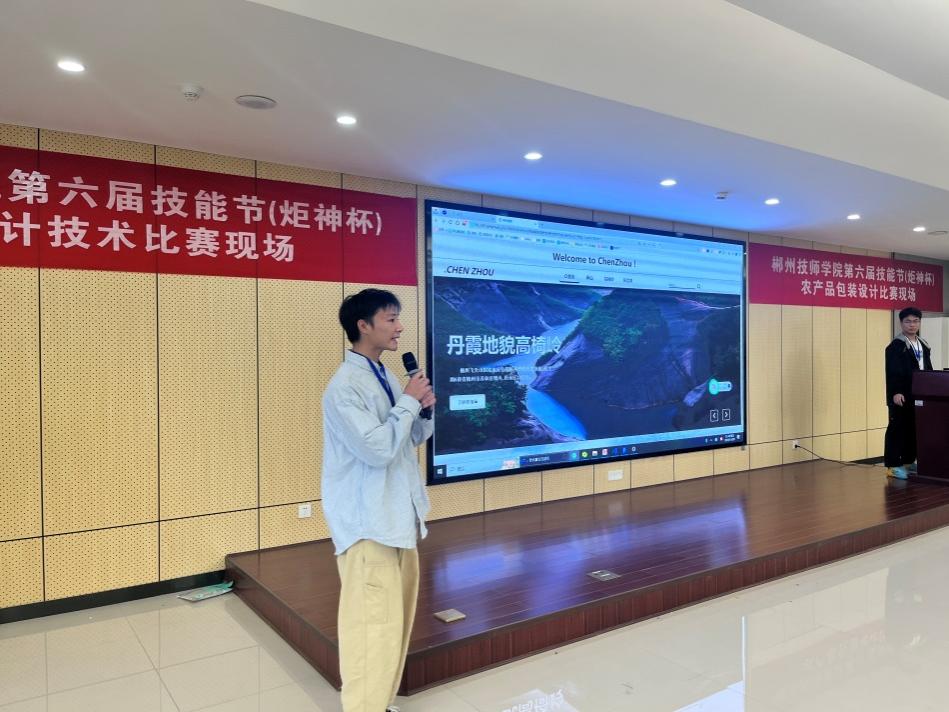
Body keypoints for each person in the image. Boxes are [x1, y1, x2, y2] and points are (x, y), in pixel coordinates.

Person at [321, 288, 435, 712]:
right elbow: (377, 449)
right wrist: (408, 401)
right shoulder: (344, 387)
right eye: (390, 318)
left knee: (392, 626)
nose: (400, 327)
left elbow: (407, 439)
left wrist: (422, 410)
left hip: (397, 518)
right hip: (369, 525)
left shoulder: (384, 375)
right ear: (363, 325)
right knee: (371, 629)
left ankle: (379, 702)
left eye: (398, 318)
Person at [883, 306, 933, 479]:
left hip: (918, 393)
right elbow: (892, 372)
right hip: (901, 394)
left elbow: (927, 368)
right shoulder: (896, 346)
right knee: (897, 428)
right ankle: (892, 465)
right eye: (908, 321)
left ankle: (908, 461)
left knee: (913, 428)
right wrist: (896, 392)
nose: (912, 325)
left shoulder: (923, 344)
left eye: (916, 321)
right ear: (901, 323)